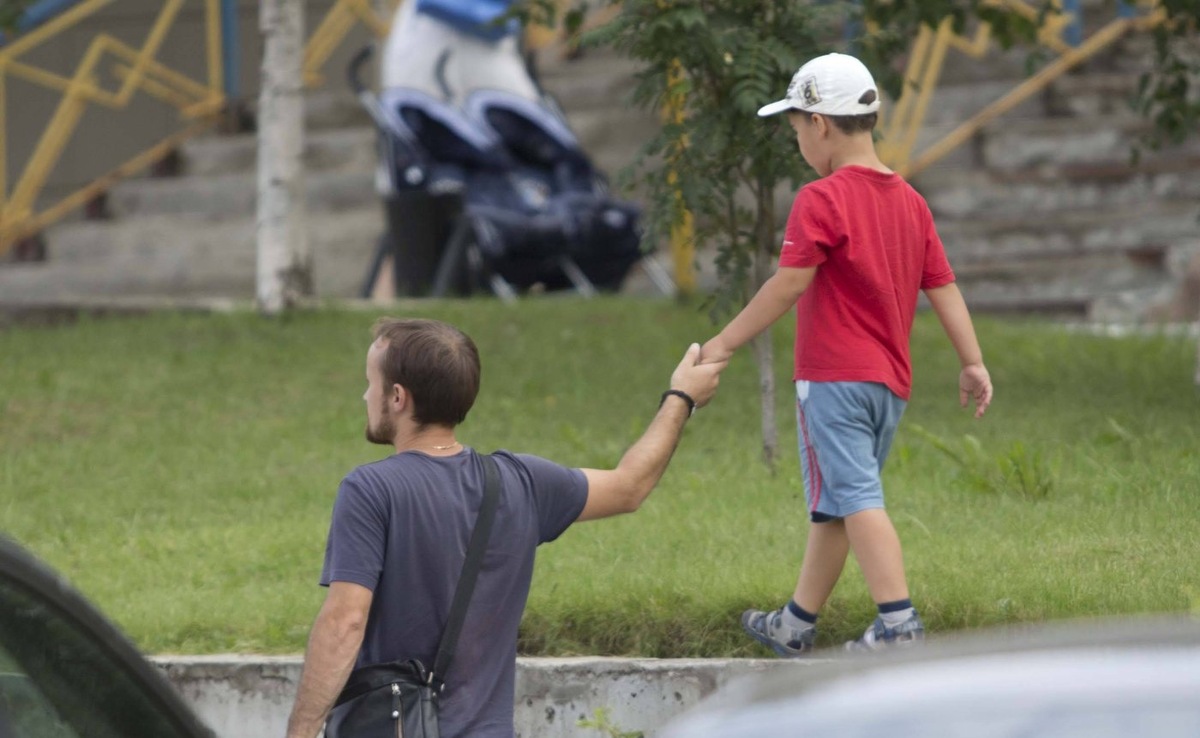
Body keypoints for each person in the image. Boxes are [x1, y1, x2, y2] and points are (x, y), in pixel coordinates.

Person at [284, 318, 726, 738]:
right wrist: (679, 398)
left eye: (370, 384)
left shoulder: (370, 490)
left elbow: (345, 621)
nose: (365, 396)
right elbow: (630, 486)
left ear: (398, 397)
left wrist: (301, 731)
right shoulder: (520, 482)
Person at [700, 53, 993, 654]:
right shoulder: (911, 201)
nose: (799, 138)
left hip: (832, 380)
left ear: (820, 126)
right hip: (889, 384)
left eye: (797, 126)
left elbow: (788, 283)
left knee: (856, 499)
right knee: (835, 503)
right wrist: (972, 361)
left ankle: (897, 625)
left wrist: (724, 343)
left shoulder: (821, 198)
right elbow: (944, 288)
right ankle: (795, 624)